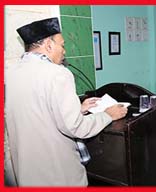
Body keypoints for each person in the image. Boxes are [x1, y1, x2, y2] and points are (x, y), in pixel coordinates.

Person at [5, 17, 127, 186]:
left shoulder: (10, 74)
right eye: (62, 45)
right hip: (56, 174)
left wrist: (79, 108)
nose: (64, 51)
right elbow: (76, 127)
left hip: (27, 173)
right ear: (48, 45)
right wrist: (108, 115)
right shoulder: (58, 74)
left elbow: (37, 113)